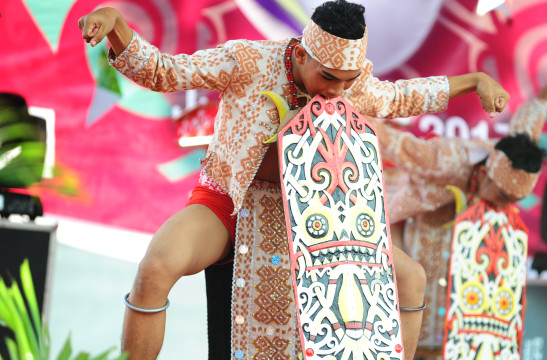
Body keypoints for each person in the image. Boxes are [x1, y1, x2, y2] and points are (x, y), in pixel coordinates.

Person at [78, 1, 510, 359]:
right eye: (328, 78)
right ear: (301, 54)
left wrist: (474, 81)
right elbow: (166, 72)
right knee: (155, 269)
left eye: (347, 81)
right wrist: (117, 26)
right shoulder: (248, 60)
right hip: (232, 201)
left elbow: (400, 97)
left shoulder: (350, 83)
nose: (337, 93)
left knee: (410, 278)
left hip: (317, 226)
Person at [370, 78, 547, 357]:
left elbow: (526, 133)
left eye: (514, 201)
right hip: (416, 218)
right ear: (485, 175)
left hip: (464, 247)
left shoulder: (513, 161)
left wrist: (545, 96)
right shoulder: (449, 160)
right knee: (421, 288)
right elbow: (401, 146)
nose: (505, 206)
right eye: (502, 196)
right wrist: (353, 117)